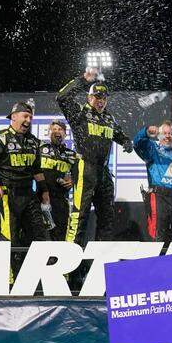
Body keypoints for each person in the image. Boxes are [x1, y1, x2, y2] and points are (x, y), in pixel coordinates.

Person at [56, 69, 132, 243]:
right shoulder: (80, 113)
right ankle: (69, 262)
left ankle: (100, 259)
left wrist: (126, 141)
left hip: (103, 171)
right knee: (80, 214)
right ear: (89, 98)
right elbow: (61, 98)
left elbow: (118, 134)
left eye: (104, 98)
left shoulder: (109, 118)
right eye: (97, 97)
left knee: (107, 216)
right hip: (85, 167)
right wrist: (83, 80)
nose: (101, 101)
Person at [0, 101, 49, 250]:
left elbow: (37, 170)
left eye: (30, 117)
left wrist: (44, 190)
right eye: (25, 116)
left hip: (29, 195)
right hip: (8, 196)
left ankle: (34, 272)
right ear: (14, 117)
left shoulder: (34, 142)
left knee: (39, 237)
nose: (28, 120)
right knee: (11, 240)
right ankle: (10, 274)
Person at [134, 121, 172, 242]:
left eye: (170, 133)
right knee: (158, 237)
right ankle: (157, 260)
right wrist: (147, 132)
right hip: (158, 197)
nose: (168, 136)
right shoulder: (153, 149)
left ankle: (169, 261)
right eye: (165, 133)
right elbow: (137, 144)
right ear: (159, 135)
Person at [38, 120, 79, 242]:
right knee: (39, 233)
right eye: (54, 129)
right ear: (49, 133)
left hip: (61, 200)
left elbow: (79, 176)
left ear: (65, 134)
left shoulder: (72, 155)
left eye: (60, 129)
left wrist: (73, 180)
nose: (57, 132)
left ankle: (56, 259)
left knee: (60, 235)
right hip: (40, 198)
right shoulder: (40, 149)